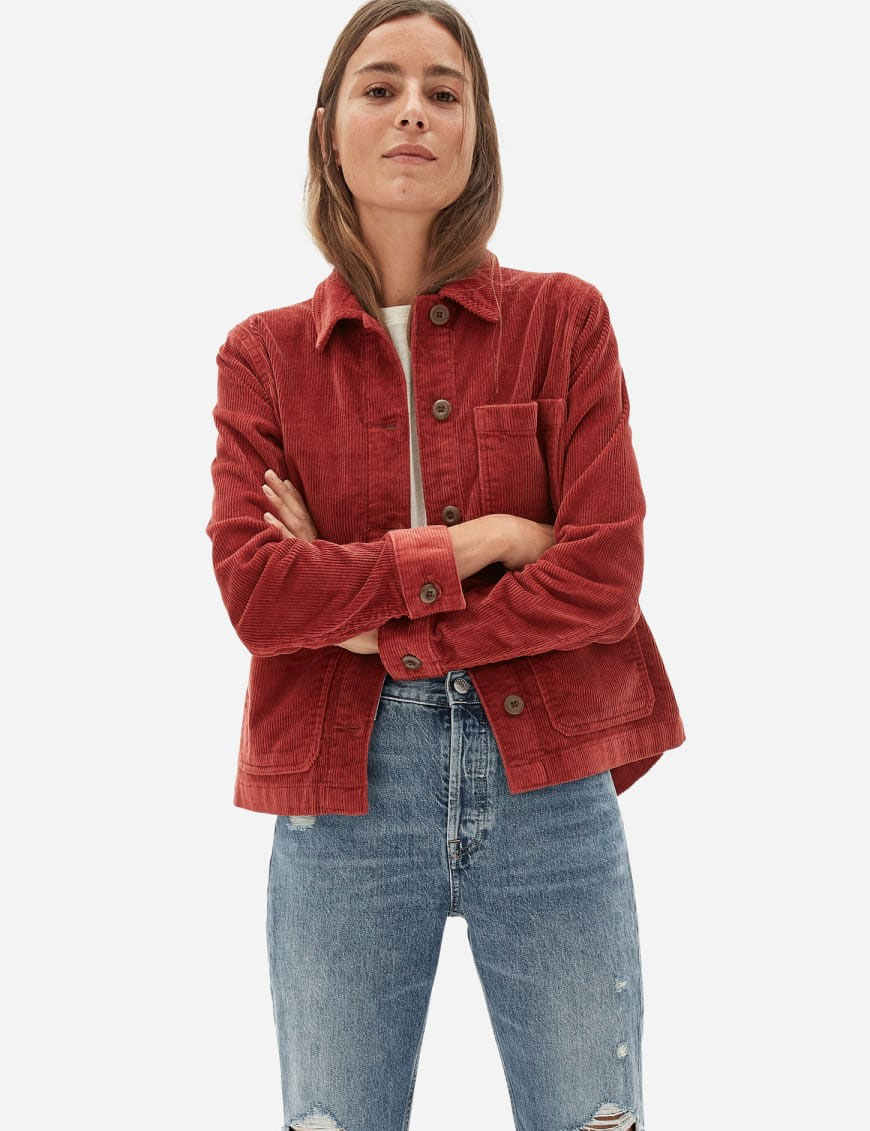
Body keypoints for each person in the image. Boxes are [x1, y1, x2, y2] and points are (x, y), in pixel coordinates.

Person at [205, 3, 686, 1129]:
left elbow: (605, 574)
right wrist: (493, 541)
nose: (413, 111)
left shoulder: (565, 321)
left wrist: (370, 611)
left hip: (549, 777)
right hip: (344, 792)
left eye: (443, 91)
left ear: (478, 129)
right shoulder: (263, 356)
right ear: (329, 128)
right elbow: (260, 595)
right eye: (380, 88)